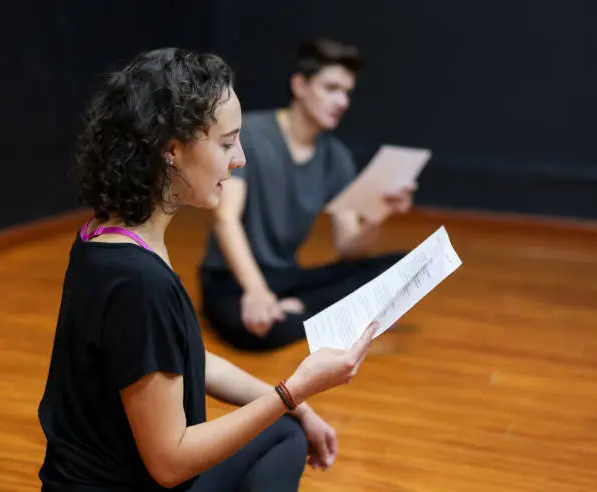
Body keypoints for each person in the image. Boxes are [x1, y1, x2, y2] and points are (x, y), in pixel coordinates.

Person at [37, 47, 380, 492]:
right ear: (172, 150)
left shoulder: (103, 234)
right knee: (280, 428)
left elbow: (183, 358)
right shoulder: (140, 281)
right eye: (225, 143)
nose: (240, 158)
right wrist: (295, 391)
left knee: (285, 431)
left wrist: (299, 406)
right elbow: (170, 463)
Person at [199, 38, 414, 351]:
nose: (342, 101)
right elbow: (225, 219)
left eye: (347, 92)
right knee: (257, 332)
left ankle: (297, 309)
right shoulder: (252, 134)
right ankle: (318, 313)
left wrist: (377, 216)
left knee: (403, 268)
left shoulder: (335, 157)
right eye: (331, 88)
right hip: (232, 279)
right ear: (300, 85)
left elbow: (349, 249)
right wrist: (257, 291)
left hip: (286, 278)